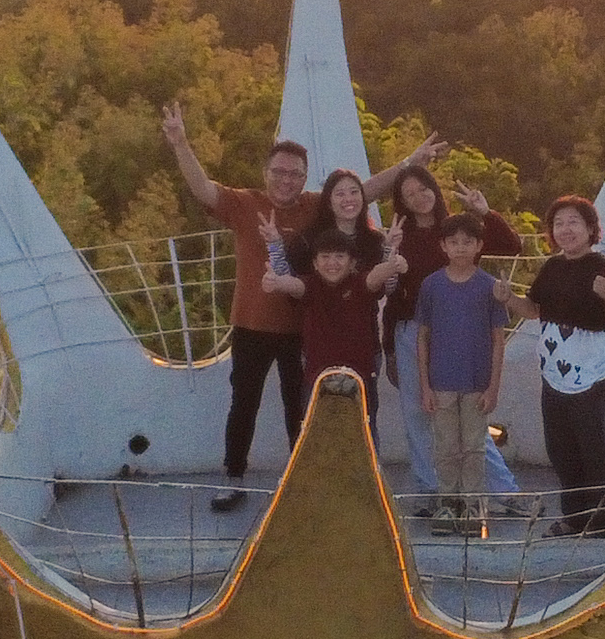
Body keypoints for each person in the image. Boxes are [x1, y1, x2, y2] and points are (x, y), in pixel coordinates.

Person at [161, 102, 440, 511]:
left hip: (302, 328)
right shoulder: (245, 203)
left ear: (305, 178)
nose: (287, 180)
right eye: (280, 171)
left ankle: (301, 478)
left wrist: (408, 164)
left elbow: (360, 194)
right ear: (266, 173)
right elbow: (203, 188)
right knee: (244, 403)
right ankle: (233, 477)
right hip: (252, 324)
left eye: (295, 173)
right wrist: (181, 143)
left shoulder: (313, 206)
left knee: (301, 408)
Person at [377, 163, 517, 493]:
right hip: (414, 333)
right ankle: (432, 490)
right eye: (409, 194)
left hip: (463, 334)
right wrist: (391, 348)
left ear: (434, 189)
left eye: (424, 189)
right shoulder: (399, 237)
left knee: (472, 421)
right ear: (401, 201)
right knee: (418, 415)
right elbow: (392, 294)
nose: (419, 197)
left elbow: (510, 247)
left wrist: (486, 213)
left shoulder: (456, 229)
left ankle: (504, 491)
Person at [525, 193, 605, 536]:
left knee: (594, 449)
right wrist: (506, 299)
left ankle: (602, 525)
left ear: (590, 229)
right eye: (558, 223)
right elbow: (534, 309)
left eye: (573, 222)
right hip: (554, 374)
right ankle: (574, 518)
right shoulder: (553, 267)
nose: (565, 229)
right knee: (561, 449)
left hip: (593, 377)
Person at [407, 212, 513, 530]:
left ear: (480, 245)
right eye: (454, 242)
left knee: (474, 446)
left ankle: (472, 506)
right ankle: (448, 504)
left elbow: (498, 339)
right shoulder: (431, 285)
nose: (461, 248)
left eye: (468, 242)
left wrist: (493, 387)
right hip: (441, 384)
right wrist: (424, 386)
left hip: (476, 385)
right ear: (443, 246)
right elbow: (423, 337)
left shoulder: (489, 287)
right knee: (446, 447)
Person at [264, 233, 385, 397]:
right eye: (325, 257)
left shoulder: (360, 284)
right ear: (315, 263)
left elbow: (375, 277)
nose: (332, 263)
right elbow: (294, 286)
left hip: (360, 377)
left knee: (366, 423)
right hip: (317, 378)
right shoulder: (310, 285)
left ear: (352, 263)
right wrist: (277, 283)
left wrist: (391, 265)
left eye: (340, 257)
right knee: (314, 423)